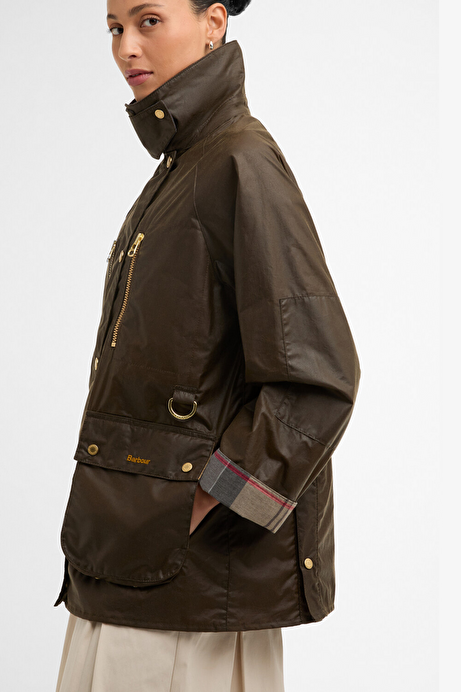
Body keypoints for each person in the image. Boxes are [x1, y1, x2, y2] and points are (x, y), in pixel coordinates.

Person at [54, 0, 361, 690]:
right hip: (126, 557)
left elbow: (318, 375)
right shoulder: (185, 164)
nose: (126, 47)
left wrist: (206, 500)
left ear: (214, 22)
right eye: (114, 28)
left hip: (188, 587)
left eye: (149, 21)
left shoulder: (240, 162)